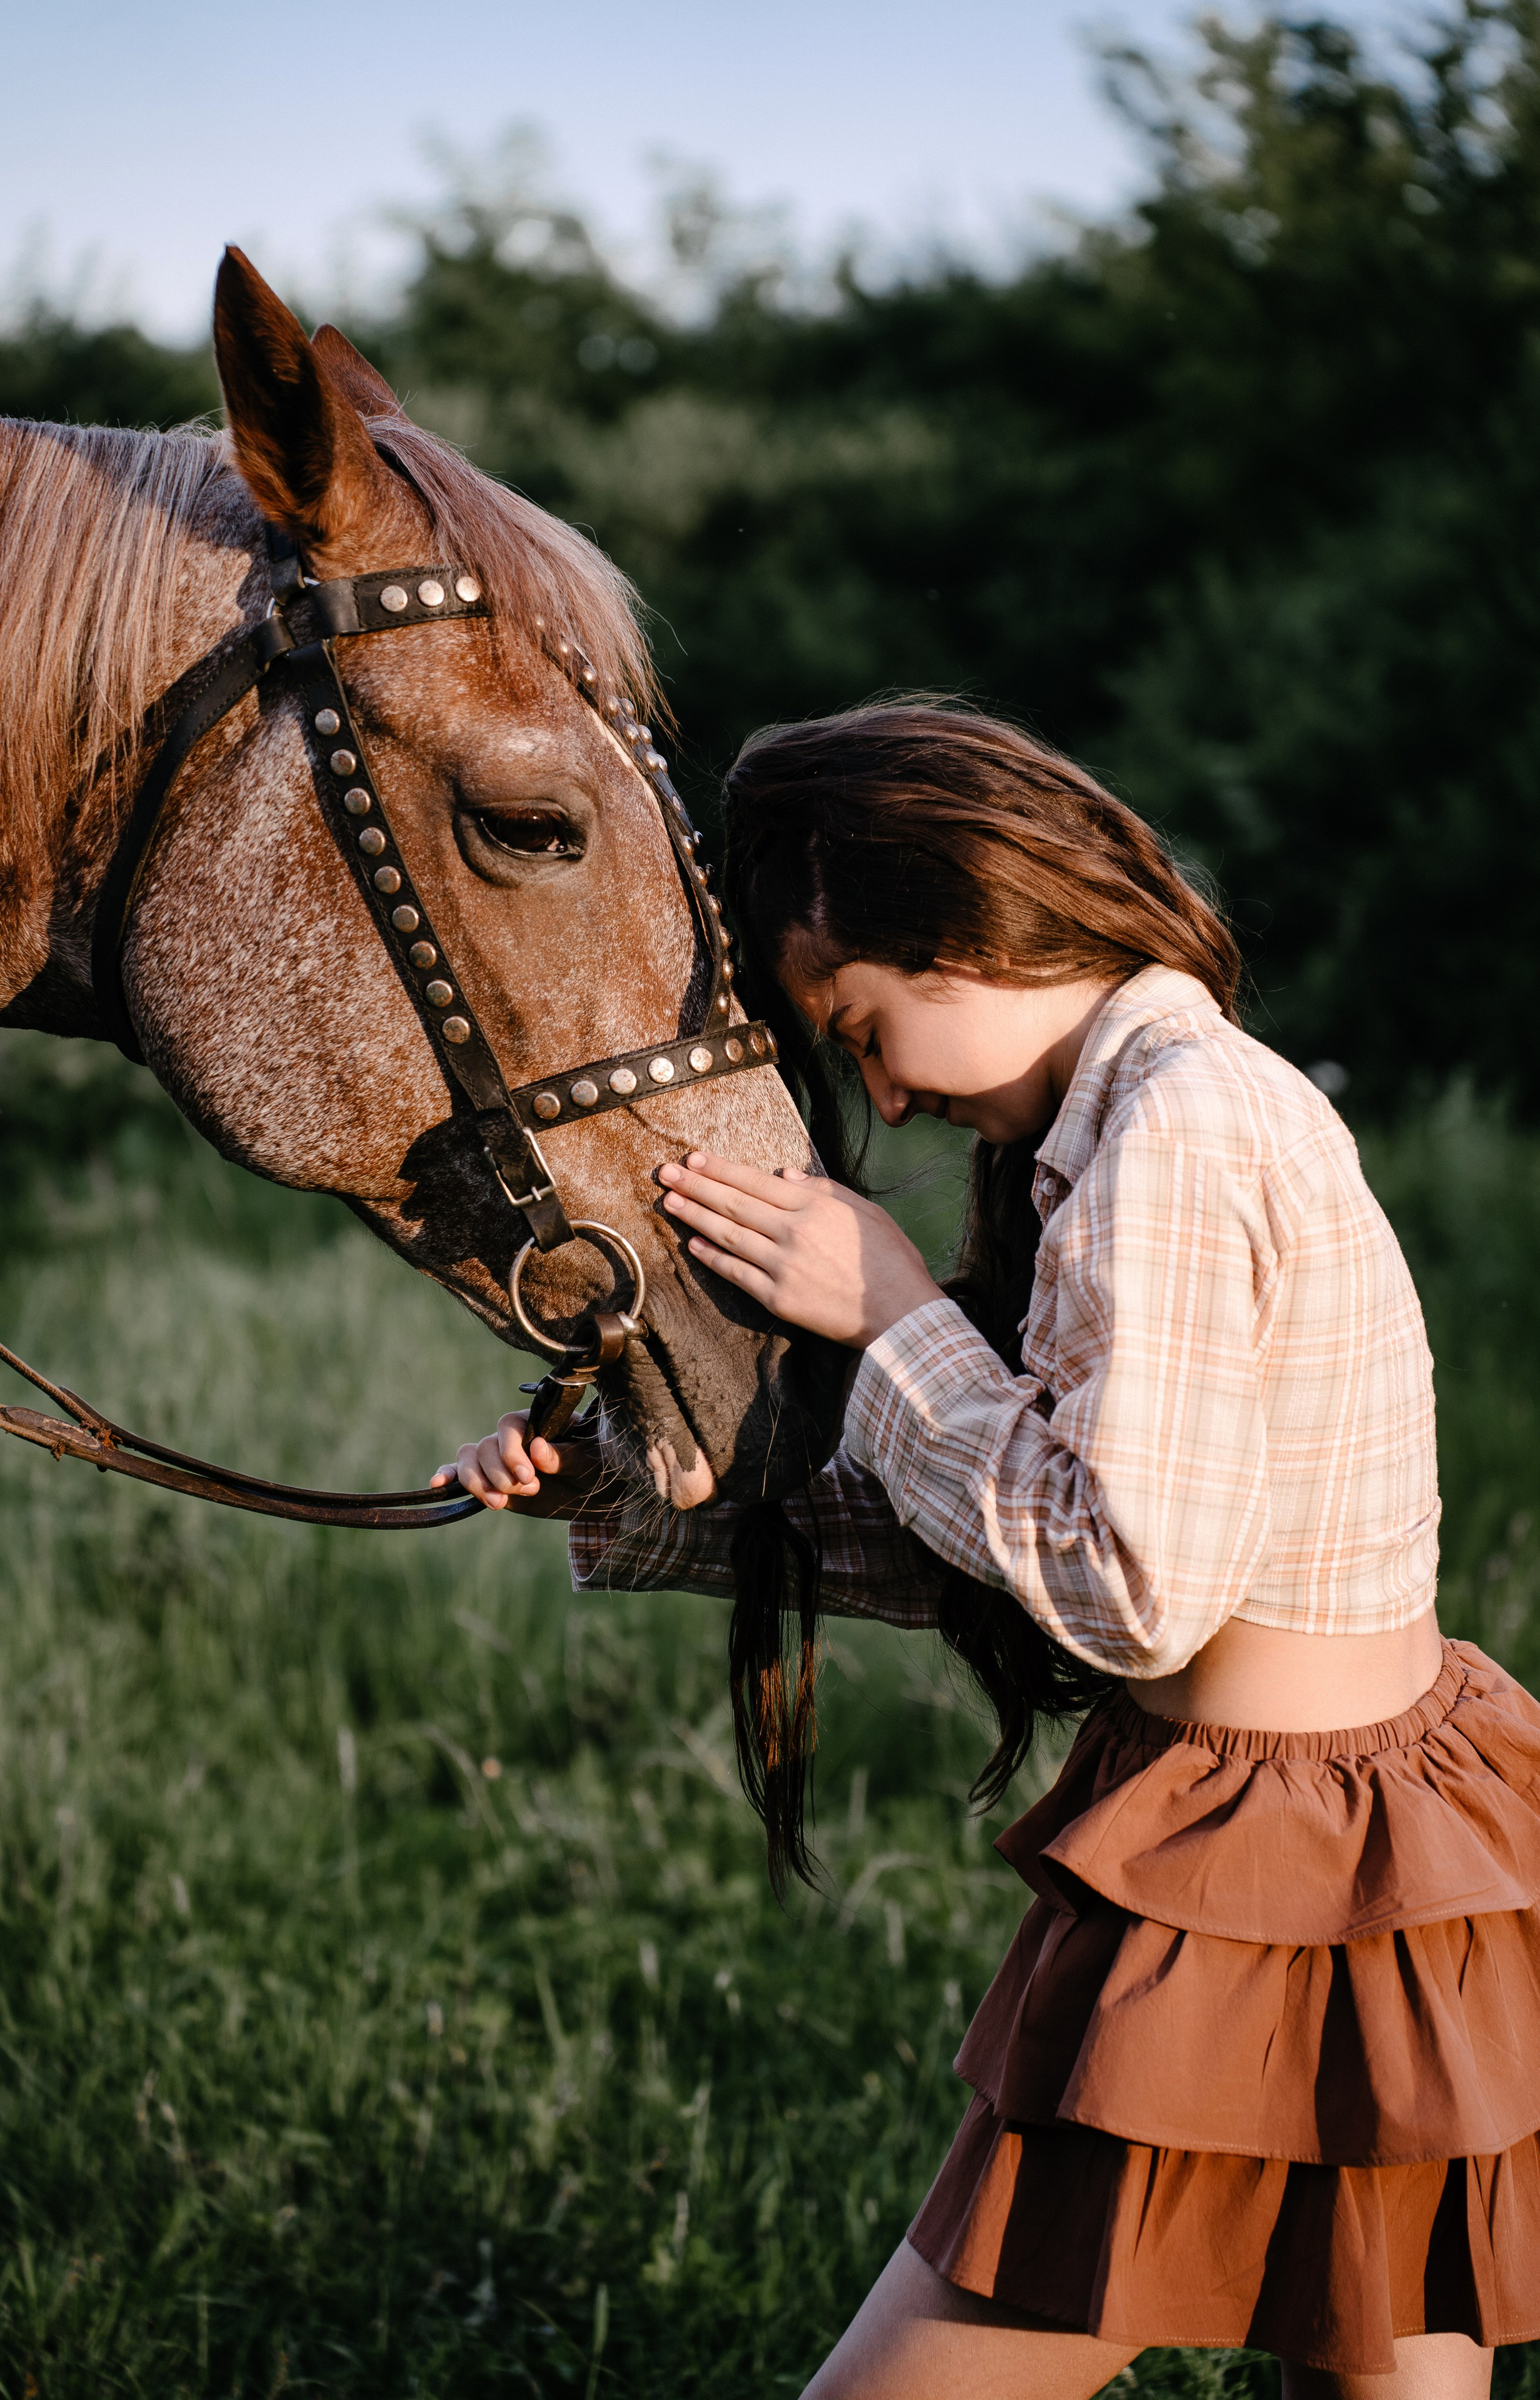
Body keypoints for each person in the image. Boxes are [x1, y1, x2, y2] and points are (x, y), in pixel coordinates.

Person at [434, 701, 1540, 2399]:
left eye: (864, 1029)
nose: (880, 1092)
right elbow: (1012, 1529)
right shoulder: (1150, 1117)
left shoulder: (1177, 1131)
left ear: (961, 930)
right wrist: (619, 1484)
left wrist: (889, 1319)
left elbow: (1126, 1584)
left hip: (1267, 1876)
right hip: (1374, 1841)